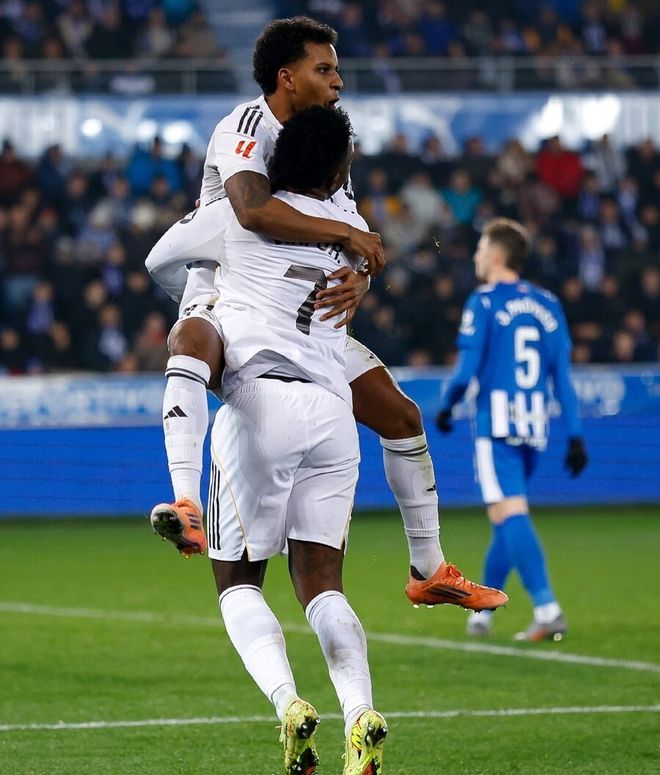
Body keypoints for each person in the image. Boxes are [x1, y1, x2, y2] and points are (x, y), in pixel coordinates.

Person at [147, 16, 508, 613]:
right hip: (230, 294)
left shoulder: (323, 139)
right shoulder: (245, 127)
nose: (338, 81)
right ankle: (185, 500)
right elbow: (252, 210)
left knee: (401, 417)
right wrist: (344, 238)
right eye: (324, 69)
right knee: (189, 338)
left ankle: (427, 568)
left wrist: (361, 276)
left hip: (300, 313)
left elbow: (354, 233)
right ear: (287, 77)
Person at [209, 105, 386, 775]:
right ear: (339, 173)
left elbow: (165, 255)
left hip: (261, 401)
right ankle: (361, 712)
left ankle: (289, 703)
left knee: (238, 582)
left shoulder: (239, 217)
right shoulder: (350, 238)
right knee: (322, 585)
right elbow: (367, 249)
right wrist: (361, 265)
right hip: (333, 412)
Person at [435, 217, 589, 641]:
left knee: (511, 514)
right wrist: (575, 434)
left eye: (481, 248)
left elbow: (466, 370)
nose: (476, 256)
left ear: (497, 255)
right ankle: (484, 612)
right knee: (506, 518)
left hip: (498, 424)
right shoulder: (548, 303)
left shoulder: (484, 302)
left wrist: (446, 407)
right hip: (535, 425)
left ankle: (547, 607)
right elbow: (562, 377)